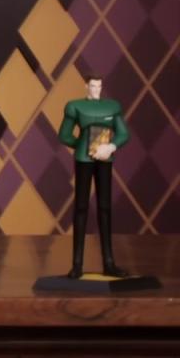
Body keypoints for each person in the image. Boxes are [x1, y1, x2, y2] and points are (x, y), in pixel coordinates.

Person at [58, 75, 129, 278]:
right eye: (93, 85)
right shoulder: (75, 106)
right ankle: (77, 264)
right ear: (86, 86)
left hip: (105, 158)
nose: (96, 89)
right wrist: (84, 146)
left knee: (104, 207)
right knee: (81, 207)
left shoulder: (112, 107)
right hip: (84, 160)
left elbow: (124, 133)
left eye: (99, 85)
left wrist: (110, 146)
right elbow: (64, 135)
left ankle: (109, 262)